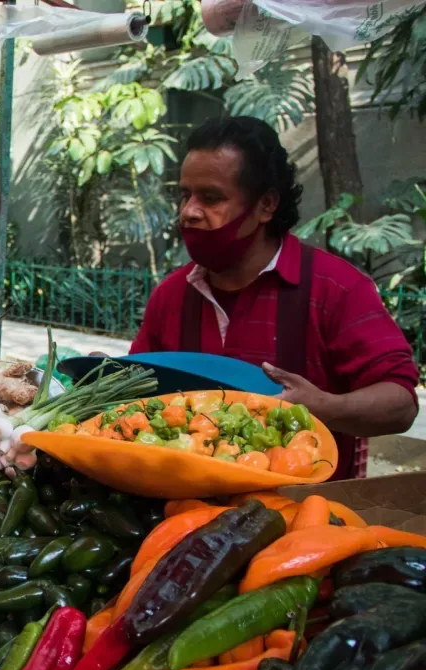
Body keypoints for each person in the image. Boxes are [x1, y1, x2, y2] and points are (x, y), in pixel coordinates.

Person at [131, 116, 418, 479]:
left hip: (305, 517)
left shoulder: (338, 289)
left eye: (211, 197)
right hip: (180, 513)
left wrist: (325, 407)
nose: (189, 211)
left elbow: (401, 403)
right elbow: (138, 390)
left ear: (266, 204)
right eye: (185, 195)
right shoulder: (170, 296)